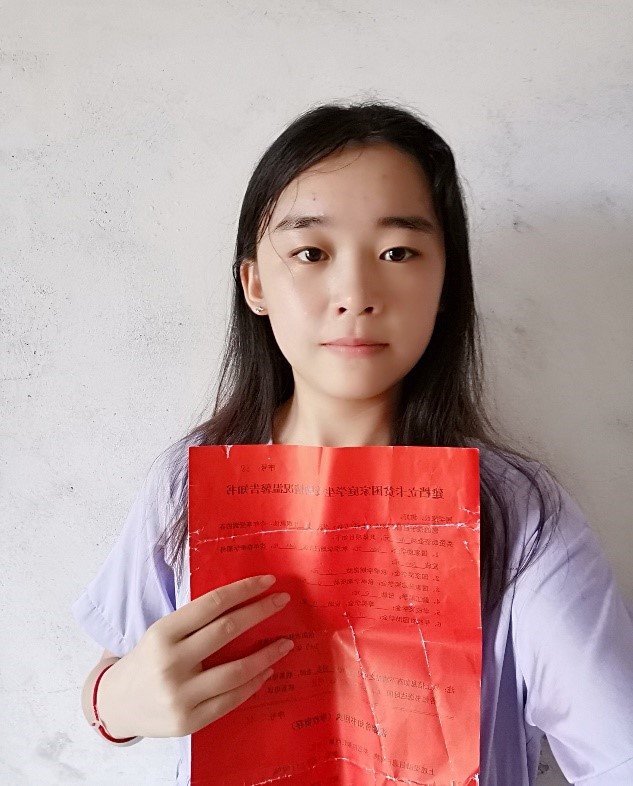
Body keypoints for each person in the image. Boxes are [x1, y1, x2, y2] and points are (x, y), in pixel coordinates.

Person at [72, 100, 633, 785]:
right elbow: (120, 666)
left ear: (444, 282)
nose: (356, 293)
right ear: (254, 283)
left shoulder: (515, 510)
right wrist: (114, 704)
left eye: (398, 252)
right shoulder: (186, 481)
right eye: (310, 253)